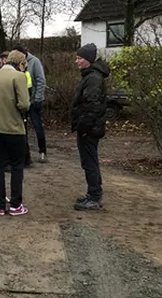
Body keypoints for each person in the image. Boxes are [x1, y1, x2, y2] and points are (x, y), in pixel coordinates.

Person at [0, 51, 30, 216]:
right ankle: (16, 205)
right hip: (13, 128)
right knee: (17, 166)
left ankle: (0, 206)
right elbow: (24, 104)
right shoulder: (19, 77)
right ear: (20, 63)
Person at [71, 43, 109, 211]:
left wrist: (83, 126)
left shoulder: (93, 78)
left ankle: (94, 196)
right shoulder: (91, 76)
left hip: (89, 128)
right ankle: (93, 193)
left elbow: (92, 106)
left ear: (87, 60)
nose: (76, 61)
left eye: (79, 58)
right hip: (90, 127)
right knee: (89, 161)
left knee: (90, 162)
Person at [13, 45, 48, 163]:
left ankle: (42, 151)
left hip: (33, 101)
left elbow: (40, 80)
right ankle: (25, 154)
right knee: (23, 127)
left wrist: (38, 98)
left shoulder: (35, 62)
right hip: (23, 101)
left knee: (37, 126)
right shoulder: (16, 63)